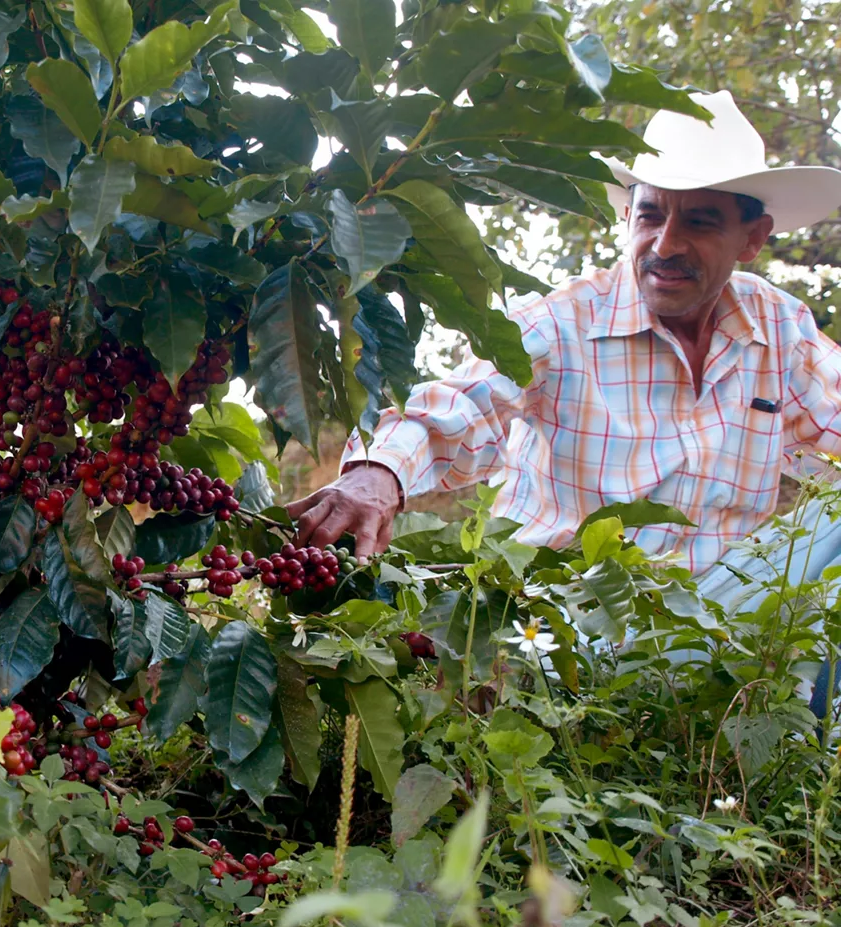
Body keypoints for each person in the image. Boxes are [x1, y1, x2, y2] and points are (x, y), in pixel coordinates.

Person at [286, 90, 841, 708]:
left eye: (700, 221)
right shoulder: (564, 322)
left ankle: (807, 749)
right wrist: (375, 477)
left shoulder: (781, 330)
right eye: (651, 215)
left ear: (752, 238)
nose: (664, 245)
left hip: (719, 628)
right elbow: (461, 405)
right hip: (564, 628)